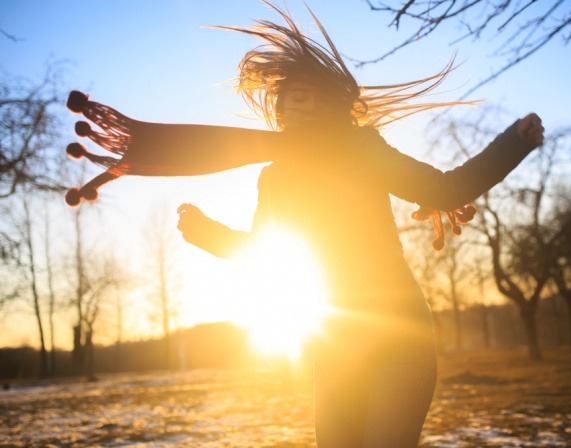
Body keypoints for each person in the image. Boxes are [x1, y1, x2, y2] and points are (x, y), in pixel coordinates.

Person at [65, 3, 543, 447]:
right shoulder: (274, 177)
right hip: (333, 347)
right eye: (294, 100)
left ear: (335, 108)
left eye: (315, 100)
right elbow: (265, 252)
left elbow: (445, 190)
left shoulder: (364, 151)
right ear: (281, 111)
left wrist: (512, 144)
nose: (304, 109)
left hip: (401, 338)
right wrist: (208, 234)